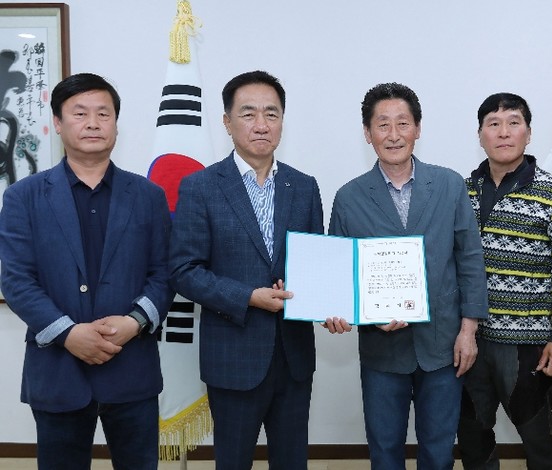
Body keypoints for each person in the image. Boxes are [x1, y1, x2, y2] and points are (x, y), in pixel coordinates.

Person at [0, 73, 174, 470]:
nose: (93, 123)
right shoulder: (23, 197)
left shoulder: (148, 196)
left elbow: (165, 273)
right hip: (58, 369)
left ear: (116, 124)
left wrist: (134, 322)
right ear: (58, 123)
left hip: (131, 364)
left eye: (103, 114)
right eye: (80, 113)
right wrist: (68, 333)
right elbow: (17, 281)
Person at [324, 82, 488, 470]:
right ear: (368, 133)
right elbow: (338, 276)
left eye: (403, 123)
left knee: (438, 452)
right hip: (382, 352)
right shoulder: (348, 197)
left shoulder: (449, 184)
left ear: (418, 128)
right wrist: (352, 313)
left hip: (444, 346)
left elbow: (469, 258)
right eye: (383, 124)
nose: (394, 134)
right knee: (384, 453)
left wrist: (468, 331)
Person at [169, 70, 324, 469]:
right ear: (227, 122)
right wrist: (248, 297)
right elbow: (184, 270)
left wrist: (329, 302)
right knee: (233, 461)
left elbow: (317, 264)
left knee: (292, 461)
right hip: (233, 356)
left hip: (293, 356)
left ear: (282, 121)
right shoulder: (200, 187)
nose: (261, 124)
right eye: (248, 113)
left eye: (271, 114)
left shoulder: (304, 187)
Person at [456, 92, 552, 470]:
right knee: (473, 437)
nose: (504, 132)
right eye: (493, 124)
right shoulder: (462, 191)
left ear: (528, 133)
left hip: (528, 346)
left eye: (514, 123)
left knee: (538, 440)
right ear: (480, 134)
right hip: (469, 340)